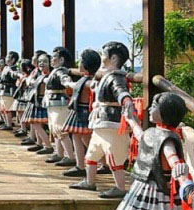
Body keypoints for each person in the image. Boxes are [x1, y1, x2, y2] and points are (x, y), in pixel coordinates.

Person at [92, 92, 188, 210]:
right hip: (145, 184)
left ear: (165, 112)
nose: (150, 108)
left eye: (155, 106)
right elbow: (142, 136)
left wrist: (178, 167)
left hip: (153, 187)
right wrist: (130, 119)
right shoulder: (155, 132)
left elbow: (171, 156)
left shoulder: (168, 139)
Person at [70, 41, 135, 199]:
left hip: (111, 123)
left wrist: (126, 101)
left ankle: (120, 187)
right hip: (101, 123)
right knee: (92, 155)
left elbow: (120, 91)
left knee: (114, 158)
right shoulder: (107, 76)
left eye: (103, 54)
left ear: (113, 58)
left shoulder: (115, 77)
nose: (101, 57)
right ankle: (89, 181)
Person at [61, 48, 100, 178]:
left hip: (82, 111)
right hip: (82, 110)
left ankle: (80, 165)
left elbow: (78, 86)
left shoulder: (89, 81)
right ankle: (102, 163)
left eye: (81, 61)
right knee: (86, 139)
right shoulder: (87, 80)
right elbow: (76, 85)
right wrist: (68, 83)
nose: (79, 63)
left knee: (78, 137)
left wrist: (68, 83)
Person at [44, 46, 77, 166]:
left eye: (54, 57)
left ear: (62, 59)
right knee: (55, 129)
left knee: (60, 130)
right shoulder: (55, 71)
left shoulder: (61, 71)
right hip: (53, 103)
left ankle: (70, 156)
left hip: (58, 104)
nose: (51, 60)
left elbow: (64, 79)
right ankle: (60, 153)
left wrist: (68, 83)